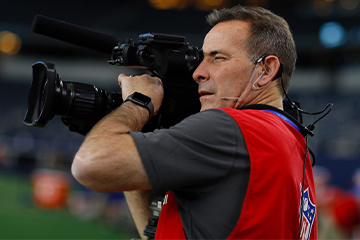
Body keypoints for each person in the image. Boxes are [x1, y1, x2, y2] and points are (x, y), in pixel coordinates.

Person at [71, 5, 318, 240]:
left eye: (218, 58)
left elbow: (90, 165)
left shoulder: (230, 128)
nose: (197, 72)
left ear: (266, 70)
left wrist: (137, 103)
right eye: (201, 58)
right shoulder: (295, 144)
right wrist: (137, 132)